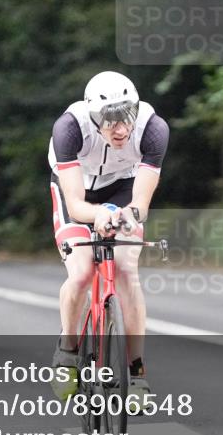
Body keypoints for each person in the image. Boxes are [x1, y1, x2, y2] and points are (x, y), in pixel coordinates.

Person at [47, 71, 169, 401]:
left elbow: (140, 203)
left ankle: (137, 372)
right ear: (93, 117)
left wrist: (127, 216)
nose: (121, 129)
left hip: (123, 186)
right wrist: (98, 214)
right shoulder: (69, 128)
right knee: (82, 271)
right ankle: (68, 351)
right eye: (109, 120)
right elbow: (75, 203)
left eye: (126, 116)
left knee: (128, 271)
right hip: (76, 188)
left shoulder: (153, 129)